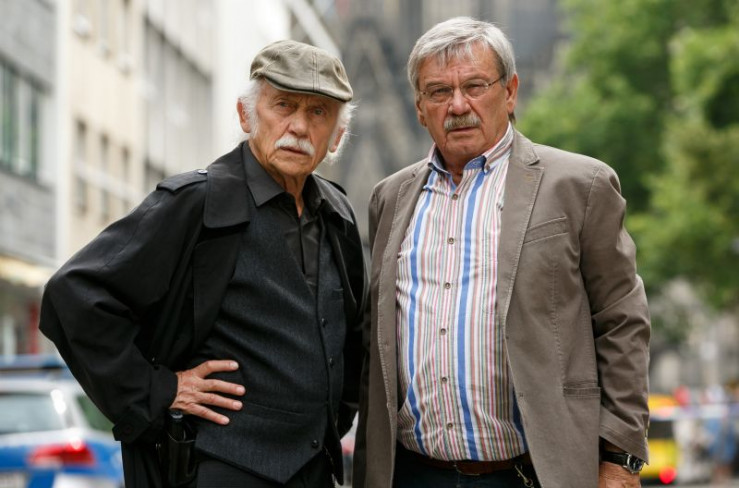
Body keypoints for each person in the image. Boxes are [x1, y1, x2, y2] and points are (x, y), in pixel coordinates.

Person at [40, 40, 367, 488]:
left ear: (337, 136)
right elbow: (73, 295)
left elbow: (352, 336)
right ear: (246, 115)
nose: (298, 126)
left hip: (314, 472)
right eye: (283, 105)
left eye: (318, 112)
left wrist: (333, 418)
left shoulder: (338, 214)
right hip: (219, 470)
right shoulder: (197, 202)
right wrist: (159, 390)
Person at [353, 17, 650, 488]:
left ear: (510, 92)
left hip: (532, 473)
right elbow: (376, 342)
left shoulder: (580, 185)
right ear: (419, 108)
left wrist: (620, 457)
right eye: (438, 91)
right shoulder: (389, 197)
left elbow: (622, 321)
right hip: (412, 472)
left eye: (475, 86)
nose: (458, 105)